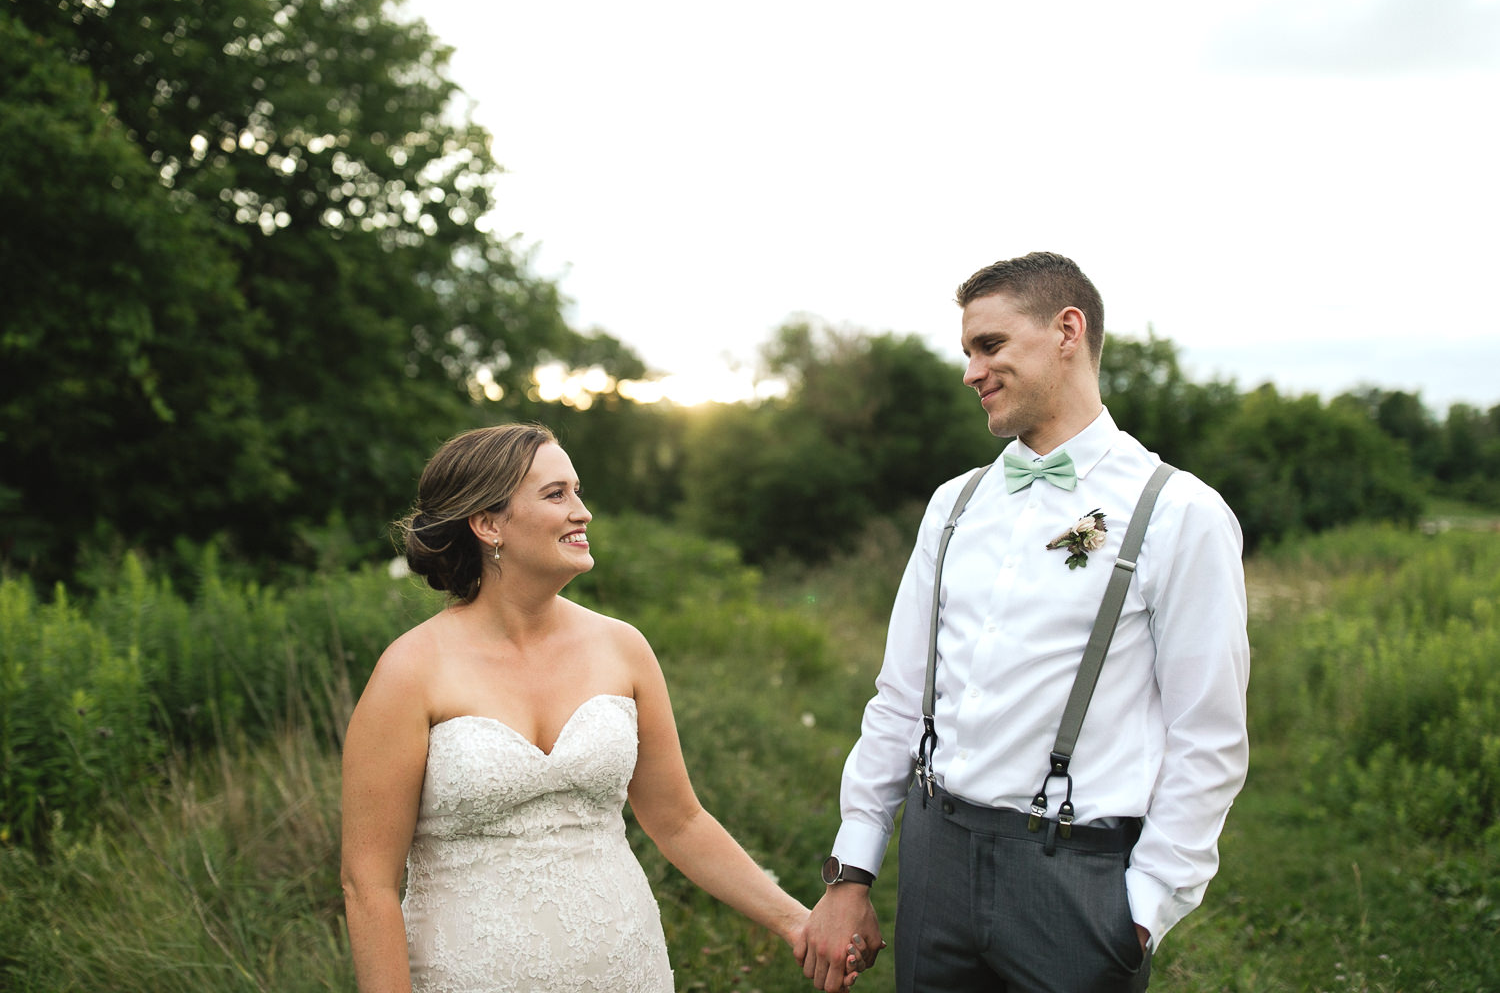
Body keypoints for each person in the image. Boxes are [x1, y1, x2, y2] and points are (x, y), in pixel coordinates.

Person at [803, 252, 1251, 992]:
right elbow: (898, 696)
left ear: (1067, 330)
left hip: (1077, 881)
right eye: (968, 352)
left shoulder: (1179, 513)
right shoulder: (955, 504)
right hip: (935, 862)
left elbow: (1209, 735)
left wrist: (1142, 910)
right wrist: (853, 870)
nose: (971, 371)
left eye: (990, 346)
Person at [341, 423, 844, 992]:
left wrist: (795, 921)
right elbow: (368, 883)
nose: (582, 512)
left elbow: (679, 821)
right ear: (487, 524)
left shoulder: (622, 647)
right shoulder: (410, 670)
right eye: (556, 495)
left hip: (626, 964)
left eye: (577, 491)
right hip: (467, 973)